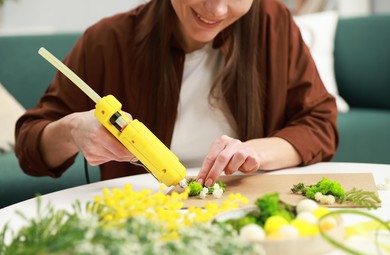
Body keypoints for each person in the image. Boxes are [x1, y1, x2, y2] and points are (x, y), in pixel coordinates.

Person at [15, 0, 338, 187]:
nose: (217, 9)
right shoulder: (107, 41)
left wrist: (255, 153)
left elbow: (320, 123)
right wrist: (73, 131)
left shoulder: (272, 22)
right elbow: (31, 148)